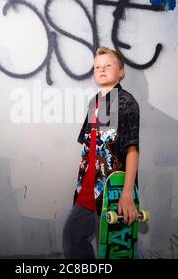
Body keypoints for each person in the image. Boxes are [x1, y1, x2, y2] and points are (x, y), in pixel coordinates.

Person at [63, 46, 141, 259]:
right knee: (72, 237)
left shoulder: (126, 102)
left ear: (121, 71)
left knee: (110, 251)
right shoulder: (93, 102)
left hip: (111, 190)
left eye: (108, 65)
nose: (102, 69)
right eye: (98, 66)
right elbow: (88, 147)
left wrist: (127, 193)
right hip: (88, 188)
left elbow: (132, 150)